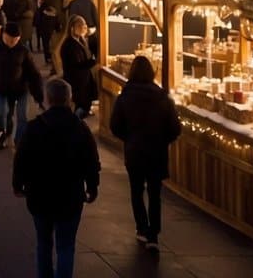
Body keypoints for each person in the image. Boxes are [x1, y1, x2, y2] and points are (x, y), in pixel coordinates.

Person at [13, 79, 100, 278]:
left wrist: (18, 184)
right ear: (69, 99)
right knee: (66, 245)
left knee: (43, 243)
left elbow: (21, 159)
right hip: (70, 195)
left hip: (39, 194)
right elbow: (91, 160)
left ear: (48, 99)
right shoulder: (80, 128)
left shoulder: (34, 127)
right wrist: (92, 186)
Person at [109, 56, 181, 250]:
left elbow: (115, 125)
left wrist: (129, 138)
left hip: (134, 151)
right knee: (155, 193)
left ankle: (141, 228)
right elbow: (175, 127)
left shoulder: (125, 96)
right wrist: (163, 139)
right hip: (156, 152)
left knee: (136, 190)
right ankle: (153, 235)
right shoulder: (162, 96)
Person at [0, 22, 45, 149]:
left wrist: (38, 96)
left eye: (16, 40)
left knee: (22, 116)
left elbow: (33, 74)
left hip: (20, 89)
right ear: (4, 35)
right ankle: (3, 132)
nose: (13, 42)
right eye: (10, 39)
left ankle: (19, 140)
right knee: (2, 114)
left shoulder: (23, 50)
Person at [55, 15, 97, 118]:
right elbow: (76, 65)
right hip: (76, 81)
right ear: (72, 28)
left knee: (84, 104)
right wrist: (92, 61)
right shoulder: (69, 45)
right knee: (80, 105)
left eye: (85, 25)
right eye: (81, 25)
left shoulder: (80, 40)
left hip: (83, 80)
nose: (84, 28)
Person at [37, 0, 65, 66]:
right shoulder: (58, 0)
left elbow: (40, 12)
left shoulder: (46, 1)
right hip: (54, 26)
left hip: (46, 25)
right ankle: (52, 58)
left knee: (46, 42)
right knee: (53, 43)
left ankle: (48, 58)